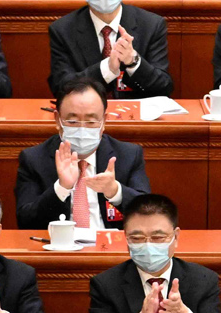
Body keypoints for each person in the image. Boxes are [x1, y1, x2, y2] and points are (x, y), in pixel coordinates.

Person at [87, 193, 221, 313]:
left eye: (158, 238)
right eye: (137, 238)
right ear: (126, 238)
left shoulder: (203, 280)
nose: (148, 245)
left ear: (176, 237)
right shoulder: (106, 284)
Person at [13, 76, 149, 230]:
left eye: (91, 122)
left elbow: (148, 214)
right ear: (58, 120)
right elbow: (25, 221)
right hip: (59, 243)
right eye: (72, 121)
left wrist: (115, 191)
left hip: (110, 243)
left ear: (104, 121)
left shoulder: (128, 155)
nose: (82, 129)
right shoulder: (33, 159)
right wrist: (61, 188)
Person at [47, 0, 170, 99]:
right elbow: (61, 88)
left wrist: (133, 62)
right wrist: (107, 69)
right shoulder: (63, 29)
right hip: (87, 112)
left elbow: (163, 88)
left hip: (137, 111)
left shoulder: (151, 25)